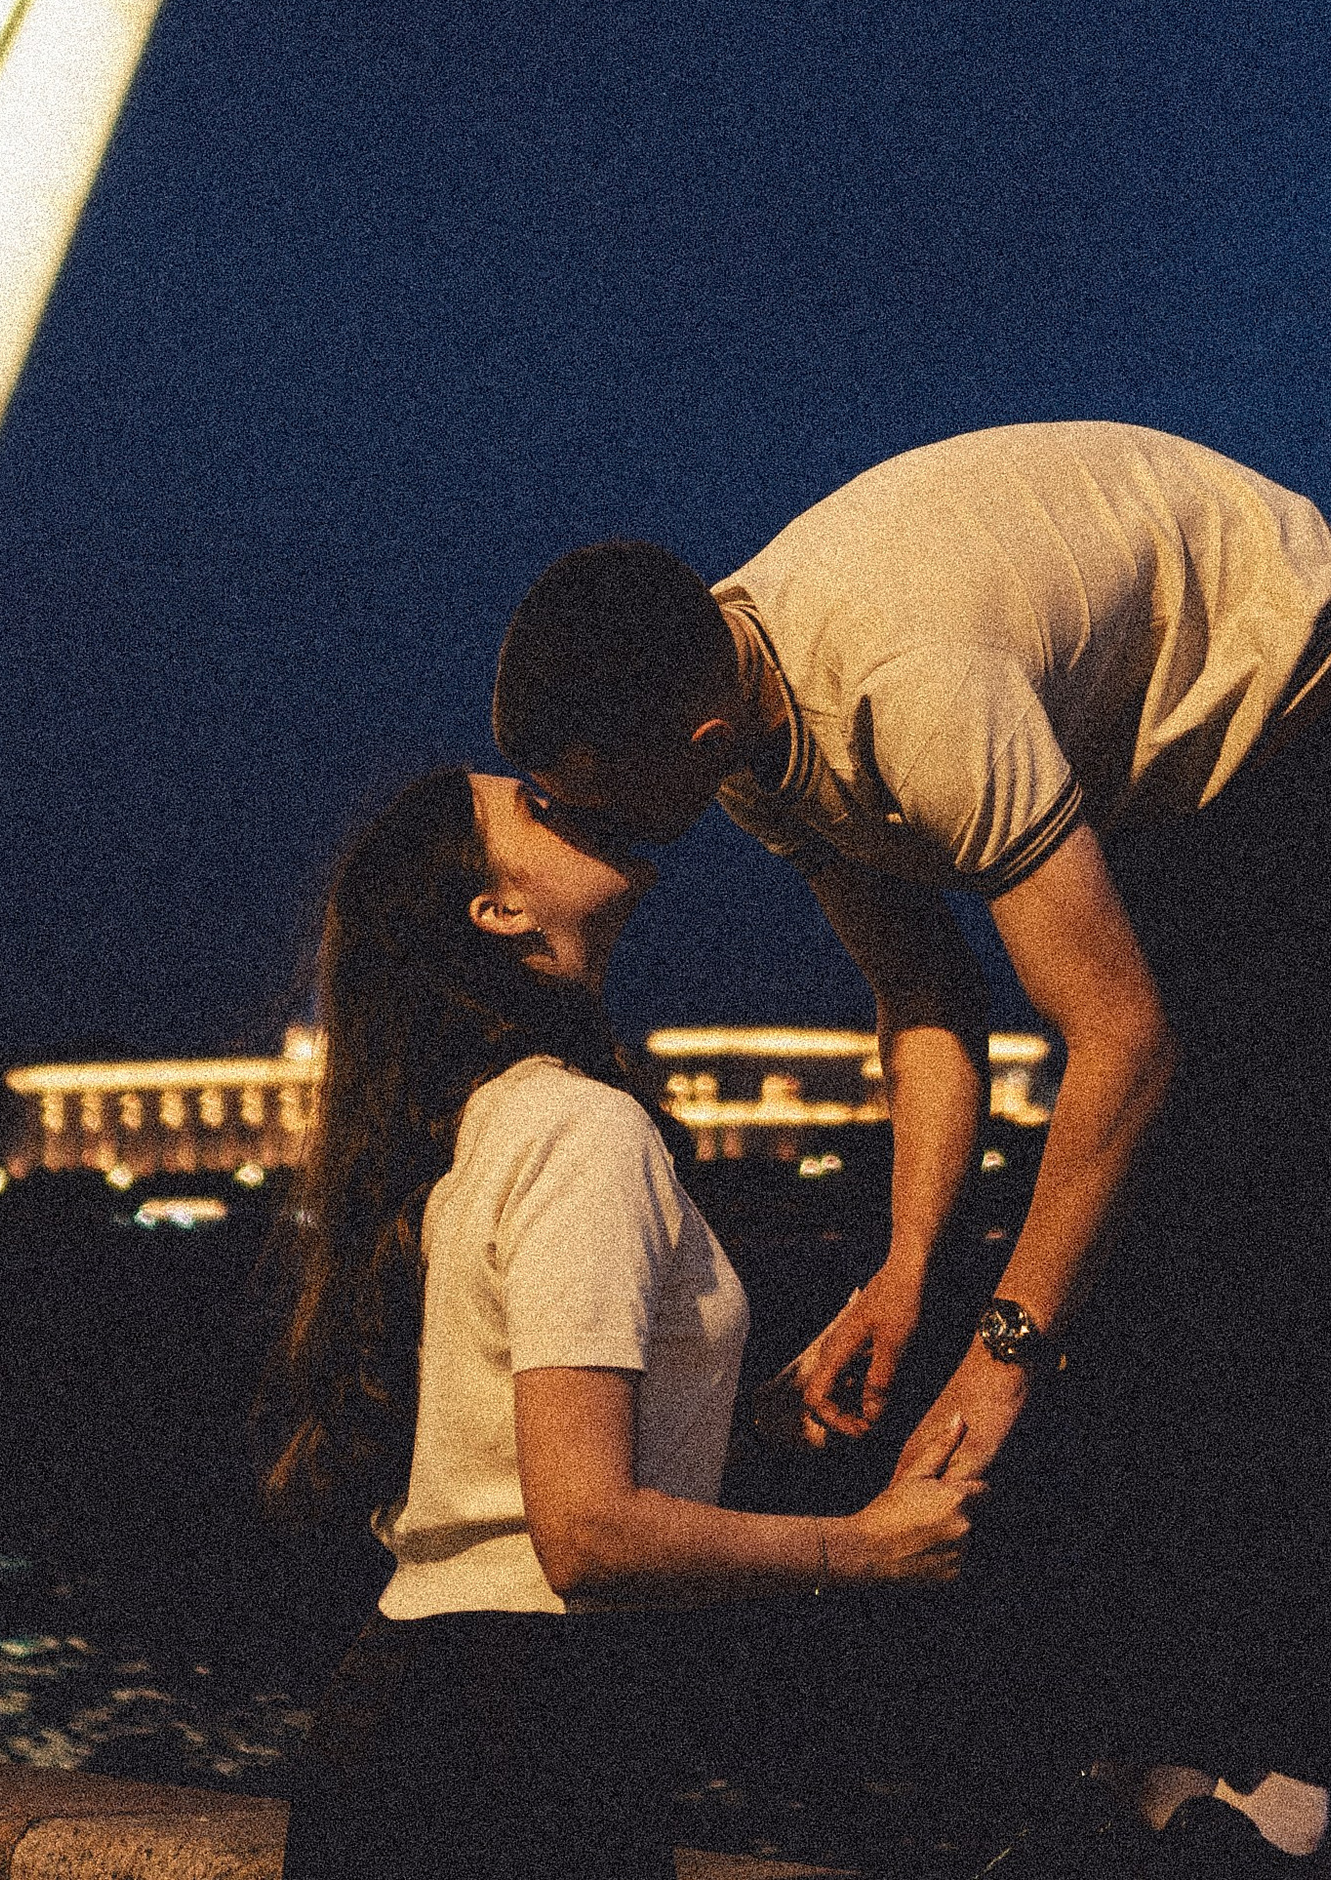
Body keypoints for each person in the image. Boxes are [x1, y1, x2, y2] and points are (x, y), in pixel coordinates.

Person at [491, 423, 1331, 1871]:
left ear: (686, 746)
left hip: (1316, 700)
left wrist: (1002, 1347)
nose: (574, 829)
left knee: (1280, 1239)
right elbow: (925, 1003)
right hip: (1161, 766)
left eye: (587, 799)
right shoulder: (746, 735)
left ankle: (1296, 1773)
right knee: (1113, 1249)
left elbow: (1118, 1039)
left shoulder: (912, 692)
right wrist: (903, 1269)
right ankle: (1154, 1744)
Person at [268, 761, 992, 1880]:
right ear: (499, 907)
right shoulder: (579, 1131)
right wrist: (861, 1549)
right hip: (514, 1742)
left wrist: (741, 1421)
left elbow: (513, 1464)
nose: (574, 791)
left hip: (437, 1713)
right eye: (535, 804)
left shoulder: (494, 1123)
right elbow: (585, 1535)